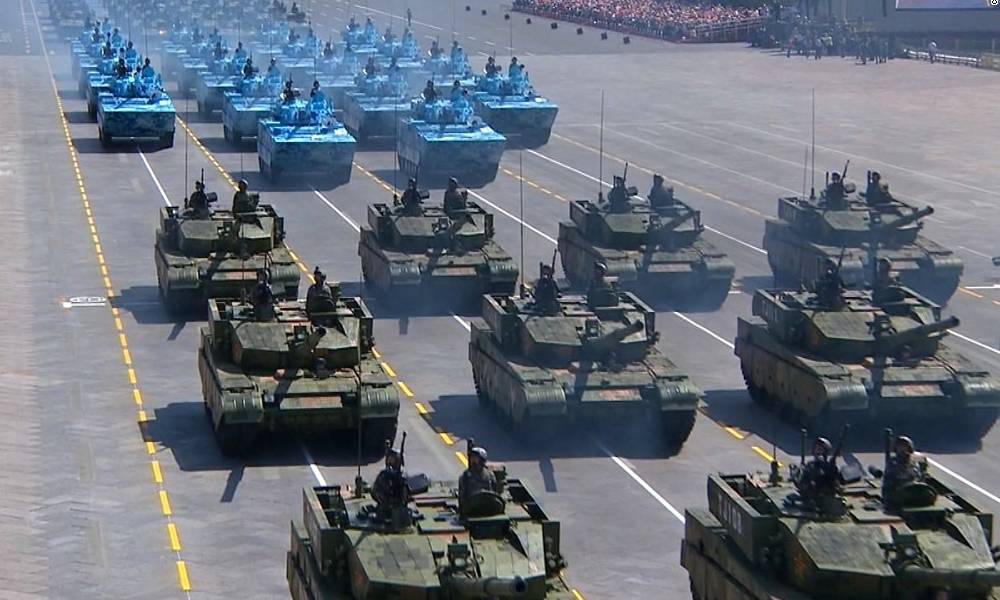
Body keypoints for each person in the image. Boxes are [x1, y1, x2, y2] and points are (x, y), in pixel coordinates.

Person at [883, 435, 928, 505]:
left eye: (905, 447)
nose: (902, 450)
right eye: (900, 448)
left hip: (915, 492)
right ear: (896, 449)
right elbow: (888, 485)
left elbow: (920, 478)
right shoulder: (892, 464)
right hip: (898, 494)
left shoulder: (915, 463)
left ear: (909, 449)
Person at [458, 446, 498, 515]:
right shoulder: (465, 477)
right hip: (471, 510)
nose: (473, 461)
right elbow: (462, 499)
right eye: (472, 458)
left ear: (482, 461)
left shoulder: (490, 475)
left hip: (488, 508)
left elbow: (494, 493)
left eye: (476, 459)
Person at [371, 448, 408, 512]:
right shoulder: (385, 474)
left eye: (397, 459)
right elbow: (376, 491)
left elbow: (405, 493)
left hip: (398, 505)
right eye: (395, 460)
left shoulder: (402, 476)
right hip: (386, 504)